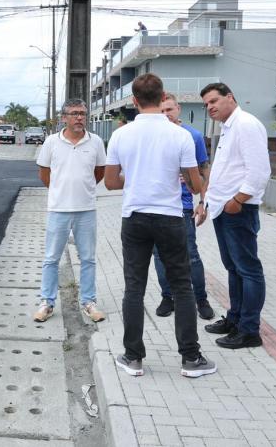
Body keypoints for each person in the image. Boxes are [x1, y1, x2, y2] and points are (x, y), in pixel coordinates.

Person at [104, 73, 216, 378]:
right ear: (162, 96)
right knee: (182, 285)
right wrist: (188, 178)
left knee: (134, 287)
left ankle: (133, 357)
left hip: (135, 217)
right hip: (170, 217)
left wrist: (136, 178)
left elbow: (112, 182)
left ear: (134, 101)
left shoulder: (120, 135)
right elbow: (195, 186)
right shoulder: (180, 135)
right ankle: (191, 359)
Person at [197, 83, 271, 349]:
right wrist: (208, 202)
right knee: (234, 268)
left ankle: (250, 330)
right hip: (223, 208)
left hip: (238, 209)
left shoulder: (246, 125)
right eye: (206, 104)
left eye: (214, 101)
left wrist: (238, 200)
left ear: (231, 97)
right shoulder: (228, 127)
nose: (210, 107)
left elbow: (260, 171)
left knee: (248, 270)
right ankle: (235, 319)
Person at [33, 99, 108, 324]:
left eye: (83, 114)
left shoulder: (95, 142)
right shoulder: (51, 142)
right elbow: (44, 174)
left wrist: (81, 190)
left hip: (86, 209)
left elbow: (99, 172)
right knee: (51, 258)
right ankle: (47, 302)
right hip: (58, 209)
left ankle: (88, 302)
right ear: (63, 117)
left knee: (88, 258)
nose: (79, 118)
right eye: (74, 113)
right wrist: (60, 191)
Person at [152, 94, 215, 321]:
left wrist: (202, 202)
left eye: (169, 109)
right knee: (160, 256)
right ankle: (167, 296)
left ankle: (201, 299)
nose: (166, 114)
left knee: (191, 256)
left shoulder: (193, 135)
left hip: (183, 207)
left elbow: (205, 172)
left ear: (178, 109)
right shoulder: (153, 136)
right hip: (157, 207)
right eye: (161, 111)